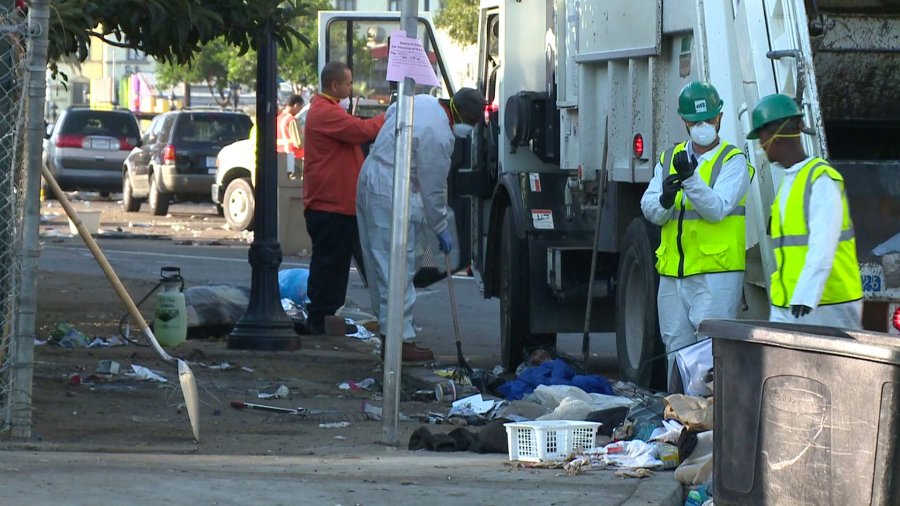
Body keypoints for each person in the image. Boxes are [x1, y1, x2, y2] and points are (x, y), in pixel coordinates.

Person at [356, 88, 486, 363]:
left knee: (381, 266)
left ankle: (389, 335)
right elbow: (433, 189)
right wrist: (440, 229)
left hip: (372, 176)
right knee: (397, 268)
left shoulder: (422, 100)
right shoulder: (440, 134)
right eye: (473, 123)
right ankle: (400, 341)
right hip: (392, 186)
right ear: (463, 116)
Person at [640, 81, 753, 390]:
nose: (703, 126)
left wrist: (690, 180)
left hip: (715, 276)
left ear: (720, 118)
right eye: (695, 121)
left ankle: (710, 432)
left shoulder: (734, 161)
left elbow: (716, 209)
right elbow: (648, 206)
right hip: (673, 275)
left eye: (709, 119)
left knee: (709, 360)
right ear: (684, 122)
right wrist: (665, 199)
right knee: (675, 353)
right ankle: (677, 427)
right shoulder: (669, 158)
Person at [746, 93, 862, 328]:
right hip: (791, 304)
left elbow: (823, 246)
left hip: (827, 306)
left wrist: (805, 295)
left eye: (761, 137)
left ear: (776, 136)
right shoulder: (790, 182)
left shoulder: (821, 180)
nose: (761, 145)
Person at [303, 62, 386, 335]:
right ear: (335, 85)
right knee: (329, 265)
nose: (352, 88)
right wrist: (390, 117)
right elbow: (360, 131)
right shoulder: (324, 112)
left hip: (338, 204)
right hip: (329, 205)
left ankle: (326, 318)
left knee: (336, 266)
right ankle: (320, 319)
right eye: (349, 83)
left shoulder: (329, 110)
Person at [277, 94, 304, 165]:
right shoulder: (291, 120)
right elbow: (299, 143)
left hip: (280, 156)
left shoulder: (278, 118)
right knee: (295, 176)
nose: (299, 112)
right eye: (300, 109)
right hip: (293, 158)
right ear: (296, 105)